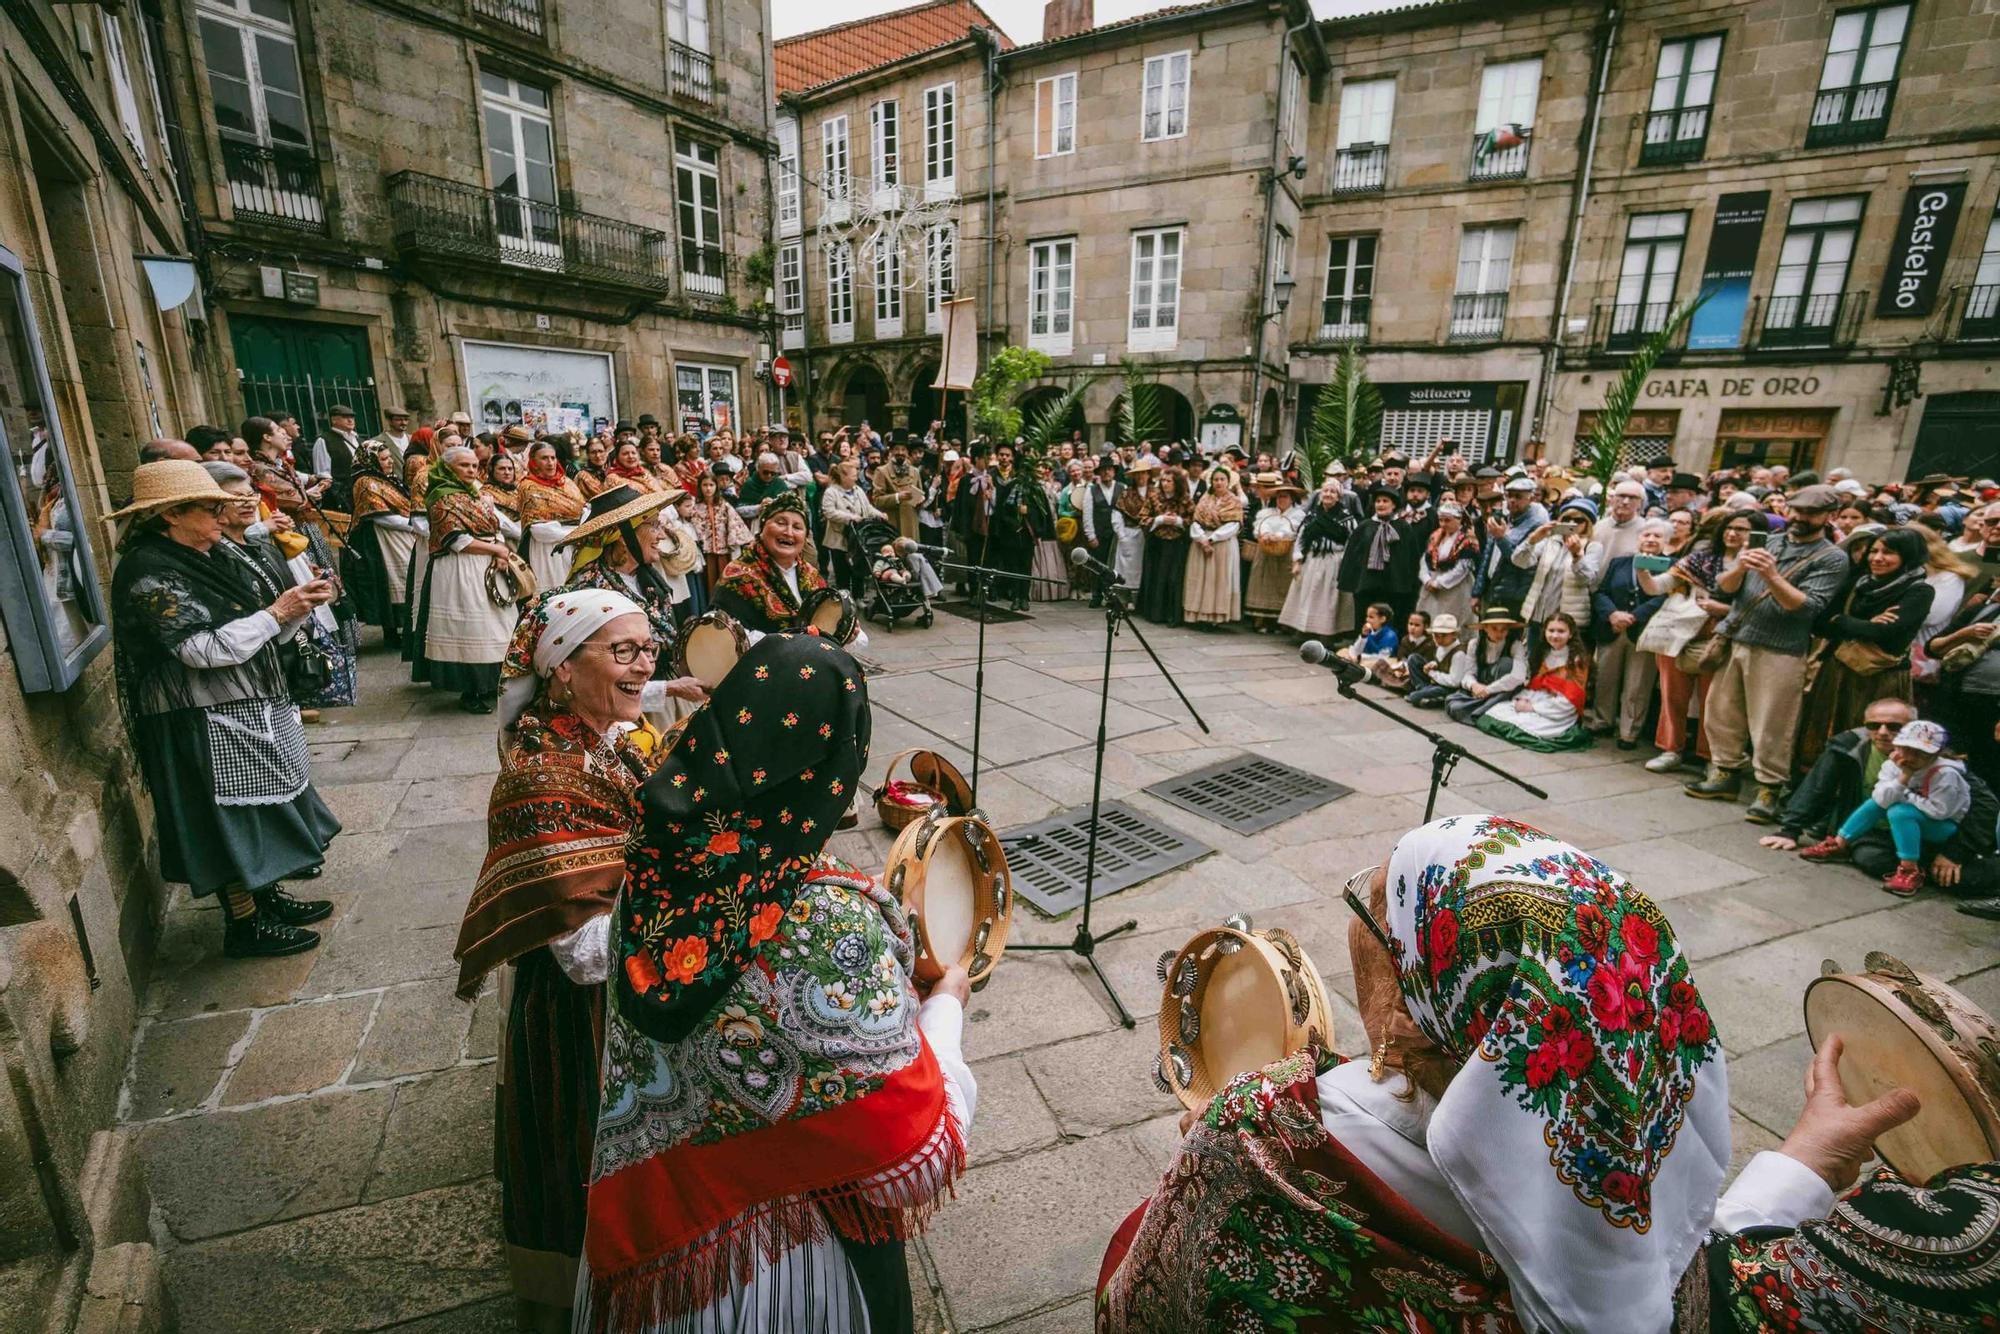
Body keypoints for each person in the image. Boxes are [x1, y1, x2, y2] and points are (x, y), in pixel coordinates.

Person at [1095, 814, 1993, 1334]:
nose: (1360, 920)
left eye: (1374, 913)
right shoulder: (1627, 1124)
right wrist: (1797, 1168)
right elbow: (1654, 1283)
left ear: (1416, 997)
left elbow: (1136, 1295)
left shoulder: (1260, 1125)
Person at [577, 634, 974, 1332]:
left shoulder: (661, 854)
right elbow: (917, 1160)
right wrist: (945, 1008)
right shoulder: (824, 918)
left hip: (671, 1251)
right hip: (786, 1264)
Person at [453, 590, 672, 1331]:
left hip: (621, 996)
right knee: (581, 1157)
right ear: (560, 670)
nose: (645, 665)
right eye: (624, 652)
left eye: (649, 648)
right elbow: (582, 953)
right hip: (583, 1019)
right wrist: (701, 902)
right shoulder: (542, 779)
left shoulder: (599, 738)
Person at [109, 461, 339, 958]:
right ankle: (244, 923)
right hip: (198, 715)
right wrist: (280, 611)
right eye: (212, 508)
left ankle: (266, 895)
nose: (225, 515)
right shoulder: (148, 570)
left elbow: (257, 629)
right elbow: (200, 650)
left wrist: (295, 611)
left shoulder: (211, 553)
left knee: (259, 810)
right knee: (224, 823)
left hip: (245, 704)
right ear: (172, 515)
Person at [1686, 485, 1863, 823]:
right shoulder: (1769, 540)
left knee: (1772, 722)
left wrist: (1770, 574)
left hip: (1781, 649)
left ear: (1830, 517)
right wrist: (1740, 567)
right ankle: (1725, 774)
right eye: (1795, 510)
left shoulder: (1831, 557)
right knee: (1721, 711)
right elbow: (1724, 587)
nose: (1799, 518)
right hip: (1738, 637)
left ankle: (1769, 787)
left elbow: (1806, 608)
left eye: (1809, 513)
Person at [1795, 525, 1934, 769]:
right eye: (1874, 551)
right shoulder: (1858, 582)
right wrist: (1863, 623)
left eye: (1888, 553)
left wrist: (1843, 620)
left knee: (1871, 737)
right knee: (1822, 731)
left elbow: (1886, 634)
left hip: (1881, 676)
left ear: (1908, 556)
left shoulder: (1919, 590)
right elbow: (1820, 623)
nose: (1877, 558)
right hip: (1838, 668)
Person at [1641, 509, 1757, 773]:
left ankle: (1711, 757)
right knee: (1673, 694)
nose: (1733, 533)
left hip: (1725, 635)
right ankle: (1671, 748)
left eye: (1742, 529)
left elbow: (1759, 605)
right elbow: (1656, 587)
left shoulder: (1759, 566)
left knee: (1716, 701)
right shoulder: (1699, 559)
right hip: (1680, 631)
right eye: (1729, 527)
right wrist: (1643, 572)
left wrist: (1724, 610)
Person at [1800, 719, 1974, 895]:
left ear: (1935, 754)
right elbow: (1880, 799)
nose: (1911, 757)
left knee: (1899, 811)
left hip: (1944, 828)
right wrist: (1904, 777)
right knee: (1878, 803)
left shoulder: (1946, 774)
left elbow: (1939, 811)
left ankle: (1910, 870)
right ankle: (1840, 843)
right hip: (1914, 815)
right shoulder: (1895, 764)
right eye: (1906, 749)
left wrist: (1905, 794)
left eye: (1920, 753)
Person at [411, 446, 517, 714]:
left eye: (473, 465)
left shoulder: (478, 495)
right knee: (473, 628)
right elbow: (455, 539)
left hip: (488, 562)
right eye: (464, 466)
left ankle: (494, 684)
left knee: (497, 626)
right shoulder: (440, 498)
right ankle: (472, 690)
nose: (471, 470)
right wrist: (497, 550)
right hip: (460, 568)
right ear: (448, 468)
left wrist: (501, 551)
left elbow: (495, 526)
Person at [1761, 698, 1918, 851]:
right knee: (1869, 858)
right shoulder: (1848, 745)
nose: (1883, 732)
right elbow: (1817, 785)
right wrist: (1789, 830)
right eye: (1873, 725)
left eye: (1894, 727)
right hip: (1860, 826)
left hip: (1913, 828)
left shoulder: (1930, 754)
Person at [1588, 518, 1668, 748]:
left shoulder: (1672, 565)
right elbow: (1601, 592)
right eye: (1646, 535)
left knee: (1637, 684)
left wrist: (1634, 616)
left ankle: (1629, 732)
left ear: (1666, 541)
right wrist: (1612, 614)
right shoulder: (1619, 562)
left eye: (1657, 536)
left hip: (1643, 631)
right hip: (1612, 627)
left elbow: (1665, 596)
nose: (1651, 540)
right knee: (1606, 678)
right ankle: (1602, 722)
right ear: (1638, 538)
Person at [712, 490, 831, 634]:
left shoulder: (811, 575)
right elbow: (721, 635)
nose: (788, 532)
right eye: (780, 523)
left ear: (806, 537)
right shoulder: (737, 575)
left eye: (797, 527)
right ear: (762, 529)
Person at [1477, 610, 1593, 751]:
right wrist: (1524, 700)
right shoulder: (1544, 653)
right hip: (1537, 699)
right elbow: (1536, 685)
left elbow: (1571, 699)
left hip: (1558, 709)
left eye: (1561, 631)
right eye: (1551, 630)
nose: (1555, 635)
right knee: (1494, 712)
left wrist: (1533, 708)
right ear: (1544, 632)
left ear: (1571, 634)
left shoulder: (1577, 660)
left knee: (1532, 727)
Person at [341, 442, 419, 649]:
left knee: (403, 581)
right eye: (384, 459)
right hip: (380, 540)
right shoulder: (365, 482)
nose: (390, 462)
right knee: (389, 584)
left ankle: (408, 630)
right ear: (371, 460)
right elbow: (380, 517)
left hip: (398, 534)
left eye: (389, 457)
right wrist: (414, 526)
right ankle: (391, 633)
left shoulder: (386, 479)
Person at [1279, 476, 1355, 639]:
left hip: (1333, 562)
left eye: (1333, 492)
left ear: (1339, 496)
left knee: (1328, 600)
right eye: (1325, 491)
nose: (1328, 494)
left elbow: (1351, 542)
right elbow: (1300, 539)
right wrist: (1297, 560)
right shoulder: (1312, 516)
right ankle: (1304, 630)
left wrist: (1346, 564)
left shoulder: (1346, 518)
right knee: (1307, 596)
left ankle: (1326, 634)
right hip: (1312, 561)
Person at [514, 439, 588, 593]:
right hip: (549, 550)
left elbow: (584, 510)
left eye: (553, 458)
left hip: (575, 546)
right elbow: (539, 531)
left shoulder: (567, 483)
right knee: (556, 593)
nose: (550, 462)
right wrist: (576, 532)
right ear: (534, 462)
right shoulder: (528, 487)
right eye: (544, 458)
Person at [1183, 466, 1244, 628]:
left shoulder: (1234, 501)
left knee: (1218, 580)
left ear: (1228, 482)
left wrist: (1212, 538)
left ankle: (1215, 616)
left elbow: (1234, 525)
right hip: (1201, 543)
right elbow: (1196, 521)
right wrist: (1201, 538)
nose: (1218, 482)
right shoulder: (1205, 499)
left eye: (1222, 479)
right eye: (1216, 479)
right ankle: (1197, 614)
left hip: (1222, 544)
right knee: (1200, 579)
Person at [1445, 609, 1529, 724]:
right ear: (1485, 628)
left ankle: (1480, 711)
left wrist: (1489, 690)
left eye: (1504, 629)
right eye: (1494, 629)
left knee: (1506, 663)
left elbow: (1518, 676)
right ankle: (1484, 709)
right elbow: (1468, 673)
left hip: (1503, 691)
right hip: (1480, 689)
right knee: (1454, 705)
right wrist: (1474, 685)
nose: (1499, 634)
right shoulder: (1475, 644)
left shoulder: (1515, 645)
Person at [820, 459, 886, 598]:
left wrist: (880, 515)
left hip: (857, 538)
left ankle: (859, 597)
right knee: (842, 571)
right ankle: (844, 600)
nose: (856, 478)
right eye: (853, 475)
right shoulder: (831, 492)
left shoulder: (858, 490)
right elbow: (829, 512)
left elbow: (868, 507)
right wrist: (850, 517)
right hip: (839, 539)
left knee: (858, 569)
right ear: (843, 476)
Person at [1246, 479, 1304, 632]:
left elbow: (1292, 528)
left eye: (1285, 496)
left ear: (1292, 498)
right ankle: (1261, 620)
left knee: (1282, 585)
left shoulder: (1297, 514)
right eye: (1279, 496)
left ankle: (1281, 622)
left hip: (1285, 552)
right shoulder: (1267, 513)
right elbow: (1261, 525)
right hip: (1266, 551)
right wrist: (1265, 534)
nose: (1281, 500)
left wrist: (1279, 535)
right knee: (1262, 584)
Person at [1338, 485, 1404, 620]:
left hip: (1391, 584)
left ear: (1394, 505)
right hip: (1366, 582)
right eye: (1378, 501)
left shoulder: (1402, 527)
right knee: (1364, 616)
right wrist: (1352, 580)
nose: (1381, 504)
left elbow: (1407, 558)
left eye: (1385, 501)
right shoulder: (1364, 526)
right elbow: (1352, 554)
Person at [1136, 467, 1191, 626]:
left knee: (1173, 578)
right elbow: (1142, 518)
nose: (1165, 484)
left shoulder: (1185, 499)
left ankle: (1172, 615)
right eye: (1163, 481)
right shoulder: (1154, 497)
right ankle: (1155, 614)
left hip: (1177, 544)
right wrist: (1159, 520)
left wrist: (1179, 522)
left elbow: (1194, 519)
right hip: (1156, 543)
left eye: (1169, 481)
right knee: (1156, 577)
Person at [1415, 500, 1477, 629]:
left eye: (1447, 520)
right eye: (1441, 520)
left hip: (1456, 586)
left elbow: (1462, 568)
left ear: (1459, 519)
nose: (1443, 524)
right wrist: (1427, 580)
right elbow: (1425, 559)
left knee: (1453, 621)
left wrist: (1440, 583)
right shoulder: (1435, 536)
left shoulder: (1467, 539)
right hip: (1432, 582)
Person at [1403, 613, 1468, 706]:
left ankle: (1429, 696)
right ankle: (1424, 691)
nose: (1439, 639)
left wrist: (1432, 673)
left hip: (1448, 688)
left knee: (1414, 697)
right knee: (1413, 658)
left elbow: (1454, 682)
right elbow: (1441, 662)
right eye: (1436, 635)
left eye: (1444, 635)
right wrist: (1433, 664)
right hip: (1435, 682)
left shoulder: (1459, 654)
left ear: (1454, 635)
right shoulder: (1440, 646)